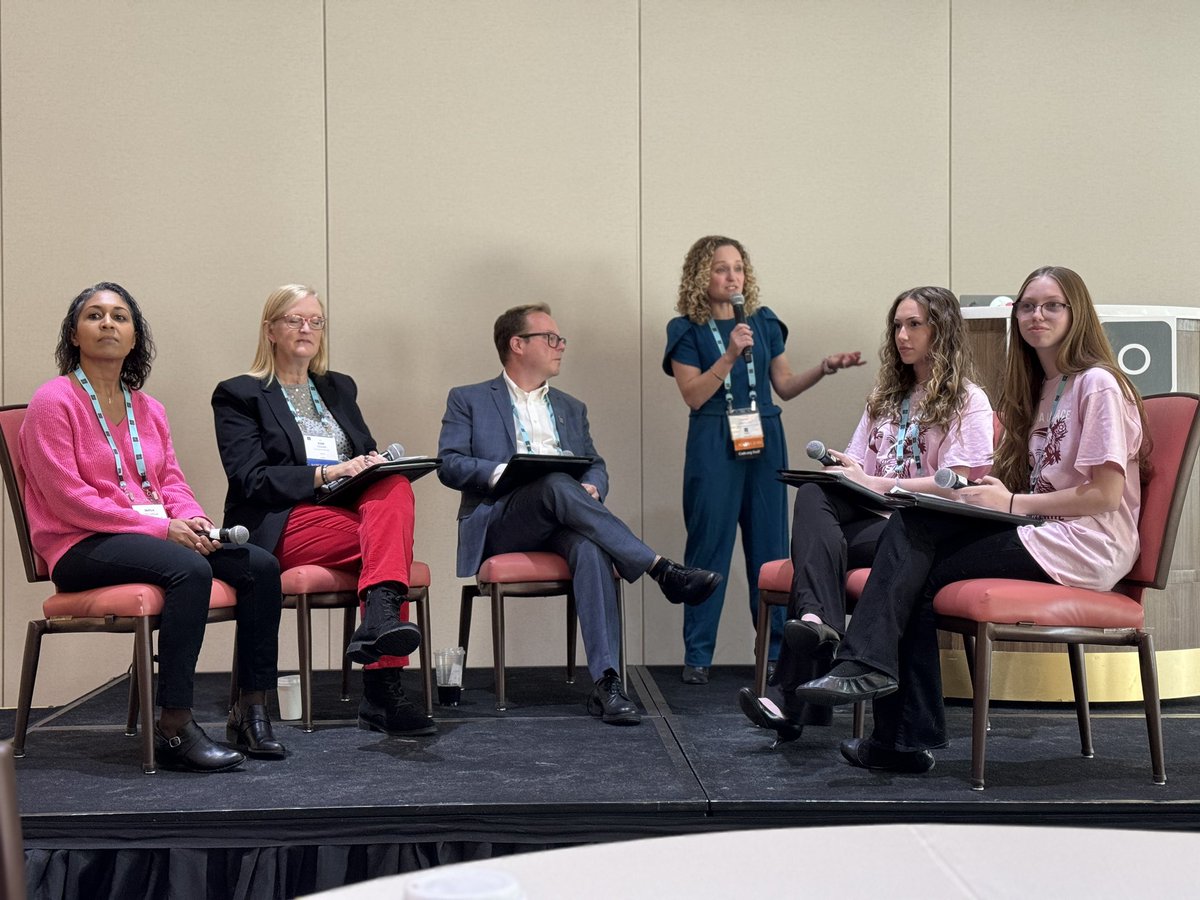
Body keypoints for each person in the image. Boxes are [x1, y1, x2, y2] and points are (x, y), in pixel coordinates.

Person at [793, 266, 1148, 774]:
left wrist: (1011, 505)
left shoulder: (1098, 384)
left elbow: (1106, 495)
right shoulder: (1046, 386)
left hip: (1082, 545)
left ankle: (878, 695)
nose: (1036, 316)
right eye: (1027, 306)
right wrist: (998, 496)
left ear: (1078, 314)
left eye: (1052, 305)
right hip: (1043, 532)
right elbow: (1038, 487)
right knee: (912, 537)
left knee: (913, 546)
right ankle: (895, 732)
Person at [19, 282, 285, 772]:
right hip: (81, 544)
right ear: (74, 334)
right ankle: (174, 724)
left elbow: (170, 482)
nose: (107, 324)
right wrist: (162, 531)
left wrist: (195, 520)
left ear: (135, 337)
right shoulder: (53, 401)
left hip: (152, 536)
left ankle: (251, 711)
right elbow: (68, 499)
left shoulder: (149, 408)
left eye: (119, 317)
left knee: (261, 567)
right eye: (94, 316)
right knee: (189, 570)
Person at [438, 303, 723, 726]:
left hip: (561, 520)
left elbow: (595, 464)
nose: (561, 347)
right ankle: (660, 569)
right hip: (502, 520)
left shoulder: (572, 407)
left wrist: (593, 487)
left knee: (590, 547)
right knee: (553, 484)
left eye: (561, 339)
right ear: (517, 344)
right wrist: (506, 471)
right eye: (550, 338)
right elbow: (449, 463)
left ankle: (607, 683)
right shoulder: (470, 399)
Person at [736, 286, 994, 744]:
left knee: (818, 557)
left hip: (922, 530)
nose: (902, 335)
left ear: (943, 329)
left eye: (914, 324)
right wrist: (847, 471)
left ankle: (791, 693)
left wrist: (880, 484)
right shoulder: (885, 396)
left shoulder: (968, 400)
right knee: (816, 491)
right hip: (875, 522)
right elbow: (859, 468)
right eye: (897, 325)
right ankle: (821, 623)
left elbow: (957, 485)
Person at [212, 284, 435, 737]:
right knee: (390, 554)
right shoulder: (240, 395)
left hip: (344, 511)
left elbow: (363, 449)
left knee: (393, 484)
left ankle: (378, 624)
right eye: (295, 319)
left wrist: (372, 463)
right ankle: (382, 689)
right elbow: (250, 479)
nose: (306, 329)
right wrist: (327, 473)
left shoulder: (338, 387)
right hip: (283, 518)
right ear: (270, 329)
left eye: (316, 321)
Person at [663, 235, 864, 684]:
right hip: (714, 436)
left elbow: (785, 385)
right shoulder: (685, 330)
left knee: (770, 547)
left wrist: (825, 367)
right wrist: (730, 352)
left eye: (738, 267)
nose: (732, 276)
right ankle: (698, 656)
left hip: (764, 435)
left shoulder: (763, 322)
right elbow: (694, 396)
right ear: (701, 275)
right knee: (707, 546)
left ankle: (775, 654)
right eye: (720, 268)